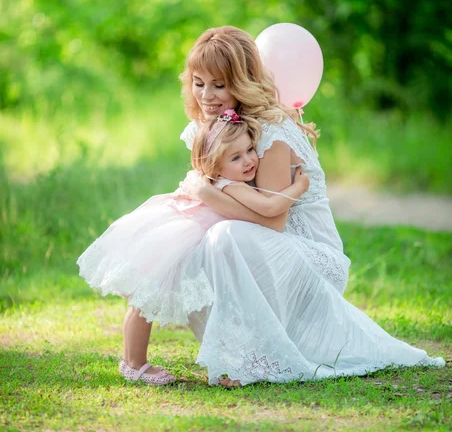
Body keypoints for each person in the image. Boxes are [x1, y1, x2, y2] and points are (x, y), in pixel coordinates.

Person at [122, 25, 444, 388]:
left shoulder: (270, 131)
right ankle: (147, 358)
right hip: (259, 244)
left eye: (219, 85)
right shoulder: (213, 127)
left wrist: (209, 195)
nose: (207, 96)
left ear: (241, 81)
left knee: (222, 234)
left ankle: (244, 361)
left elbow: (272, 223)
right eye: (199, 83)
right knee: (183, 239)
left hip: (309, 256)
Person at [77, 108, 309, 385]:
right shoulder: (233, 186)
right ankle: (134, 363)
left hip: (172, 230)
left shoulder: (222, 180)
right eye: (236, 157)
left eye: (250, 150)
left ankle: (132, 361)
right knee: (146, 300)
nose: (249, 161)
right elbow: (271, 207)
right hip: (180, 239)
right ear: (215, 165)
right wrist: (299, 186)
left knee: (143, 300)